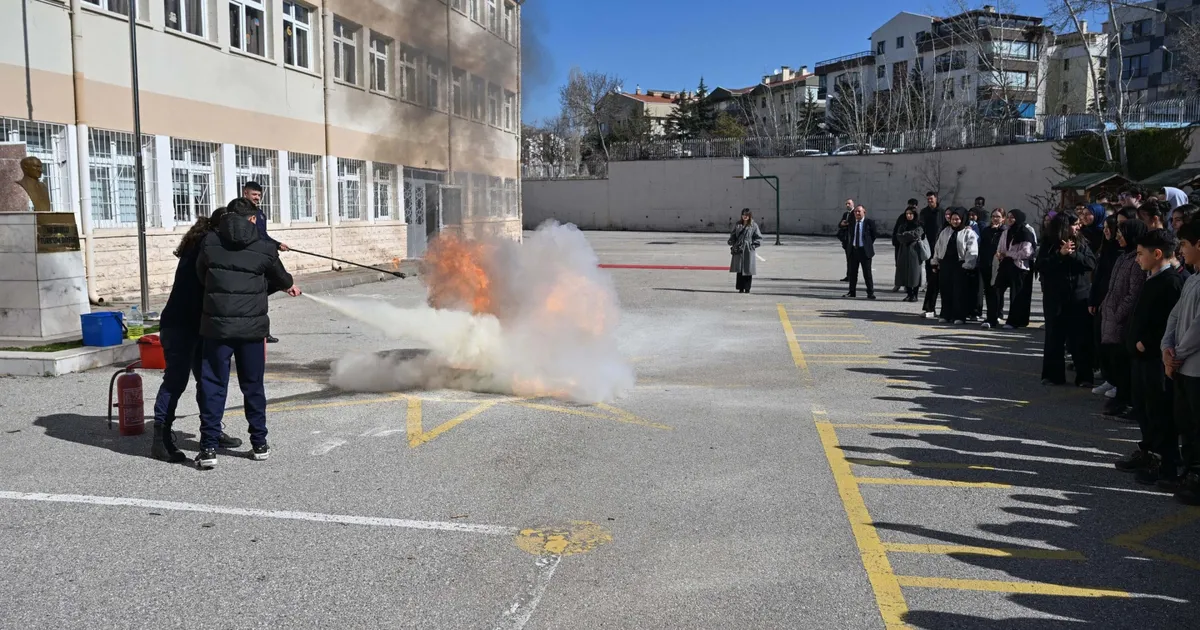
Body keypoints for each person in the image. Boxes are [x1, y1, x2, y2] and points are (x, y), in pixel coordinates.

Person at [194, 198, 302, 469]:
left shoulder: (209, 242)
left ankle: (208, 447)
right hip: (252, 330)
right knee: (252, 386)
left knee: (213, 385)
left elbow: (201, 277)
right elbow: (283, 279)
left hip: (216, 328)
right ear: (253, 219)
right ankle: (259, 444)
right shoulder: (265, 247)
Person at [151, 208, 241, 462]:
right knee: (176, 381)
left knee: (208, 381)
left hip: (201, 326)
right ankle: (160, 440)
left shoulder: (207, 243)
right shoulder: (206, 248)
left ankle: (212, 430)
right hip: (180, 325)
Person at [1118, 230, 1185, 486]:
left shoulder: (1171, 282)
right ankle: (1147, 451)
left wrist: (1145, 342)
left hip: (1156, 359)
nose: (1137, 259)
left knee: (1159, 411)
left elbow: (1168, 323)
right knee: (1143, 406)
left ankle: (1164, 462)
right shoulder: (1153, 278)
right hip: (1141, 359)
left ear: (1157, 254)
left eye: (1140, 254)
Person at [1038, 213, 1096, 387]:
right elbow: (1041, 266)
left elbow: (1091, 263)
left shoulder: (1081, 242)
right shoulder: (1049, 243)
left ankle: (1084, 376)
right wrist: (1060, 254)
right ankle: (1052, 376)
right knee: (1054, 337)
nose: (1078, 227)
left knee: (1080, 337)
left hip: (1078, 296)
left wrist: (1073, 255)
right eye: (1075, 224)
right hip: (1055, 297)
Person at [1165, 219, 1200, 504]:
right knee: (1185, 424)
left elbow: (1198, 327)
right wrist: (1167, 347)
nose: (1181, 251)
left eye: (1185, 245)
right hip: (1182, 365)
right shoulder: (1192, 279)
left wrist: (1177, 355)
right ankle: (1189, 472)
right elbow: (1174, 316)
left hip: (1194, 367)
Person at [1099, 219, 1149, 415]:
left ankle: (1125, 400)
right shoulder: (1122, 257)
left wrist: (1118, 313)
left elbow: (1134, 293)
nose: (1118, 236)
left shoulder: (1136, 261)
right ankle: (1119, 396)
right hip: (1111, 316)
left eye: (1122, 232)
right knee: (1113, 360)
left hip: (1122, 320)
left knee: (1122, 362)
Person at [242, 181, 288, 344]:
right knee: (259, 294)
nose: (257, 198)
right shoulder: (239, 212)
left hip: (261, 256)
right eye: (254, 194)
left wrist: (277, 244)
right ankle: (259, 331)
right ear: (245, 193)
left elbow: (263, 235)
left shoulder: (260, 214)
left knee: (269, 289)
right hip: (249, 259)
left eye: (259, 195)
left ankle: (263, 332)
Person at [1090, 215, 1122, 398]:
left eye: (1111, 228)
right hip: (1101, 299)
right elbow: (1098, 275)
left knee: (1112, 343)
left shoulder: (1121, 252)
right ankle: (1107, 376)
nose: (1107, 231)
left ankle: (1115, 380)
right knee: (1100, 338)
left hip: (1114, 302)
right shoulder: (1106, 248)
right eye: (1105, 228)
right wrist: (1093, 300)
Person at [933, 208, 979, 324]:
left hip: (960, 265)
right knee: (945, 290)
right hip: (946, 264)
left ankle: (959, 316)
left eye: (957, 219)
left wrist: (968, 265)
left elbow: (972, 250)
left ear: (962, 219)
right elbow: (938, 247)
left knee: (959, 292)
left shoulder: (968, 233)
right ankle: (945, 314)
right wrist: (935, 261)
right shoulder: (945, 231)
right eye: (953, 219)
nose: (955, 221)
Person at [994, 209, 1036, 329]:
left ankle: (1013, 321)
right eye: (1008, 217)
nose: (1010, 219)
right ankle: (993, 317)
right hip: (1005, 264)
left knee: (1016, 295)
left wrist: (1008, 254)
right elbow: (1001, 247)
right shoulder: (1006, 232)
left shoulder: (1025, 233)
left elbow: (1027, 253)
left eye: (1012, 217)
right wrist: (1000, 254)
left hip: (1019, 267)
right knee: (996, 289)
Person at [978, 208, 1006, 328]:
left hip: (999, 264)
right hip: (986, 263)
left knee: (996, 291)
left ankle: (996, 315)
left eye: (998, 216)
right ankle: (991, 315)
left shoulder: (1004, 231)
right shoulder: (986, 230)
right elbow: (982, 246)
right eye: (993, 216)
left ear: (1003, 219)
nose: (995, 219)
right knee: (989, 291)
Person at [844, 205, 878, 300]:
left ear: (864, 212)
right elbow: (844, 229)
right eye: (855, 212)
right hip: (854, 250)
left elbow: (874, 235)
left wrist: (867, 244)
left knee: (867, 273)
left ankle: (870, 292)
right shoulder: (852, 223)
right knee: (852, 273)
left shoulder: (869, 222)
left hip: (864, 251)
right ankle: (852, 292)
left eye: (859, 211)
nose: (857, 213)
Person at [919, 192, 945, 317]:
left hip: (941, 248)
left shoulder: (942, 212)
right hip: (928, 248)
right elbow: (921, 227)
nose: (930, 201)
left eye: (931, 199)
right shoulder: (924, 212)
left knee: (944, 282)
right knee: (931, 279)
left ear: (936, 199)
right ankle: (930, 309)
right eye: (928, 199)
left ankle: (946, 310)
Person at [893, 206, 925, 302]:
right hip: (903, 250)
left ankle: (915, 294)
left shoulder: (919, 225)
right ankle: (909, 294)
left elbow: (916, 234)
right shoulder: (903, 225)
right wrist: (908, 235)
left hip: (915, 251)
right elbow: (899, 237)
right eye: (907, 214)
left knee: (915, 273)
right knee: (904, 272)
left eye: (910, 214)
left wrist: (906, 234)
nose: (908, 215)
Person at [728, 208, 762, 293]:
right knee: (739, 268)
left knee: (748, 268)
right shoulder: (738, 224)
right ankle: (740, 287)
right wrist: (732, 242)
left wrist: (753, 245)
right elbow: (733, 235)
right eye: (743, 215)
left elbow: (758, 237)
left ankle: (747, 288)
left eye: (746, 215)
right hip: (739, 248)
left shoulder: (754, 225)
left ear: (749, 215)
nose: (745, 216)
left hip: (748, 248)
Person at [892, 199, 919, 292]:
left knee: (912, 268)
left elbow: (916, 234)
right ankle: (898, 283)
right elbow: (897, 232)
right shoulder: (902, 217)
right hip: (900, 246)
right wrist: (897, 240)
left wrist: (905, 236)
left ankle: (909, 287)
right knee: (899, 265)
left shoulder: (918, 220)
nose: (909, 215)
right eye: (910, 205)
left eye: (914, 206)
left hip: (913, 248)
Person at [837, 199, 855, 282]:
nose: (847, 205)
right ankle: (848, 275)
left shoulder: (855, 213)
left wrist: (846, 224)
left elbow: (853, 224)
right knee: (848, 259)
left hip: (852, 240)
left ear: (853, 204)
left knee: (852, 259)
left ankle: (852, 276)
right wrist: (842, 224)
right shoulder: (845, 214)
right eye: (846, 204)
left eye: (849, 203)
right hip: (846, 240)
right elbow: (840, 224)